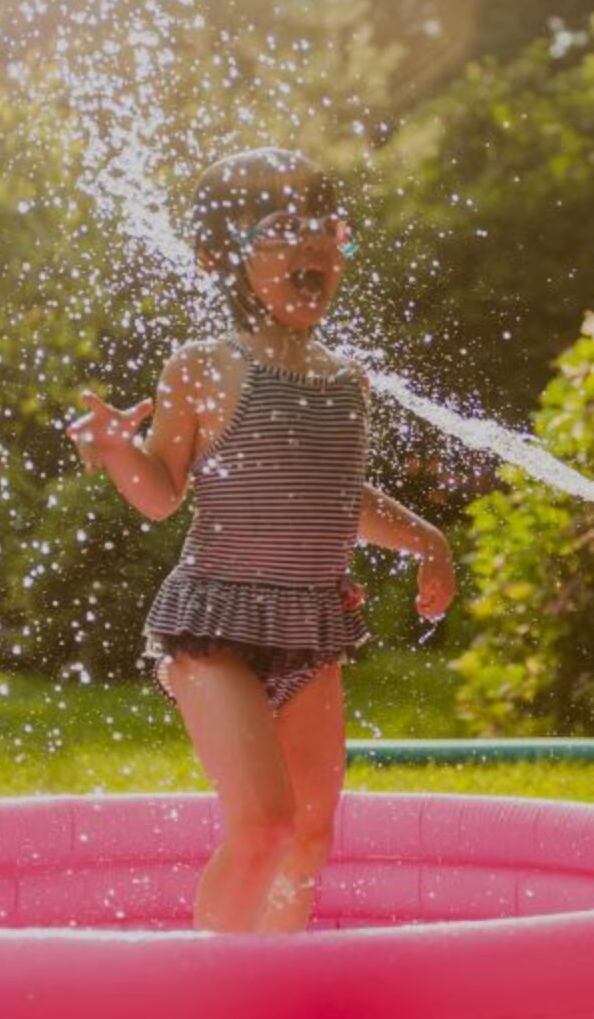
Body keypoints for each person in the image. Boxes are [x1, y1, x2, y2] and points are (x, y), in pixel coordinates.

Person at [68, 148, 456, 934]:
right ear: (221, 256)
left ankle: (272, 990)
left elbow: (341, 499)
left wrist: (428, 542)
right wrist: (115, 451)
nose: (312, 246)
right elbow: (162, 493)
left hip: (308, 630)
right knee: (265, 826)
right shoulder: (206, 366)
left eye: (327, 231)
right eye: (283, 230)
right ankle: (212, 995)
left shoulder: (346, 380)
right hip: (212, 630)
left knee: (310, 838)